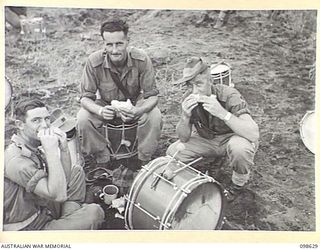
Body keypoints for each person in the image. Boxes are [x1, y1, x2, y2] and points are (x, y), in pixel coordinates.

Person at [167, 57, 259, 201]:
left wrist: (222, 113)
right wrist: (185, 117)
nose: (194, 90)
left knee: (241, 149)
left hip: (232, 138)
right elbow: (183, 138)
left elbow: (253, 134)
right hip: (208, 139)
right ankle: (212, 163)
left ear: (210, 81)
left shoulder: (229, 95)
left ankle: (237, 186)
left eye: (199, 84)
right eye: (189, 85)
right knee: (174, 152)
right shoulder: (187, 98)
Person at [3, 98, 105, 230]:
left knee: (77, 172)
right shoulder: (17, 161)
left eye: (47, 119)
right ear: (20, 125)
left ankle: (68, 220)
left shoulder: (31, 145)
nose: (45, 125)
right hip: (30, 228)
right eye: (36, 120)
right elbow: (59, 195)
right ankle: (70, 220)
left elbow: (65, 179)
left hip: (42, 208)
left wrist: (63, 149)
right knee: (95, 213)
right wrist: (50, 150)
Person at [77, 19, 162, 167]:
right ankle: (102, 158)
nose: (114, 50)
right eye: (109, 44)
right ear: (103, 43)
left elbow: (152, 95)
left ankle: (143, 160)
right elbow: (85, 98)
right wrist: (101, 110)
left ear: (127, 41)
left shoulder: (141, 59)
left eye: (119, 44)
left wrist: (138, 110)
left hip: (134, 105)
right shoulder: (94, 61)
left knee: (154, 115)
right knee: (83, 117)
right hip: (106, 106)